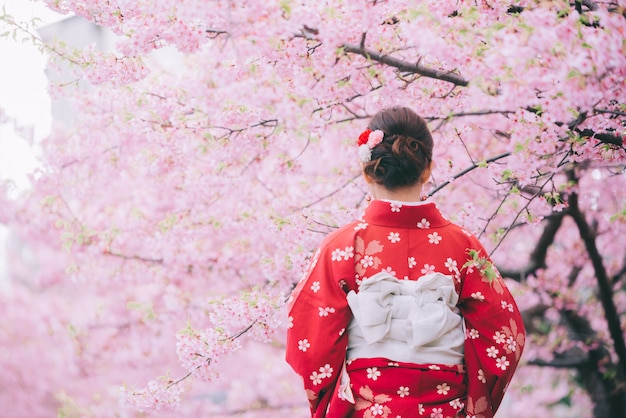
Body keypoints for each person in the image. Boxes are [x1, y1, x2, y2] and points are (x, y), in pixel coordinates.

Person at [286, 106, 525, 418]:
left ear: (367, 170)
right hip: (446, 409)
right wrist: (474, 400)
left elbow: (310, 343)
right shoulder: (464, 246)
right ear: (427, 170)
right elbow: (506, 338)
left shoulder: (342, 246)